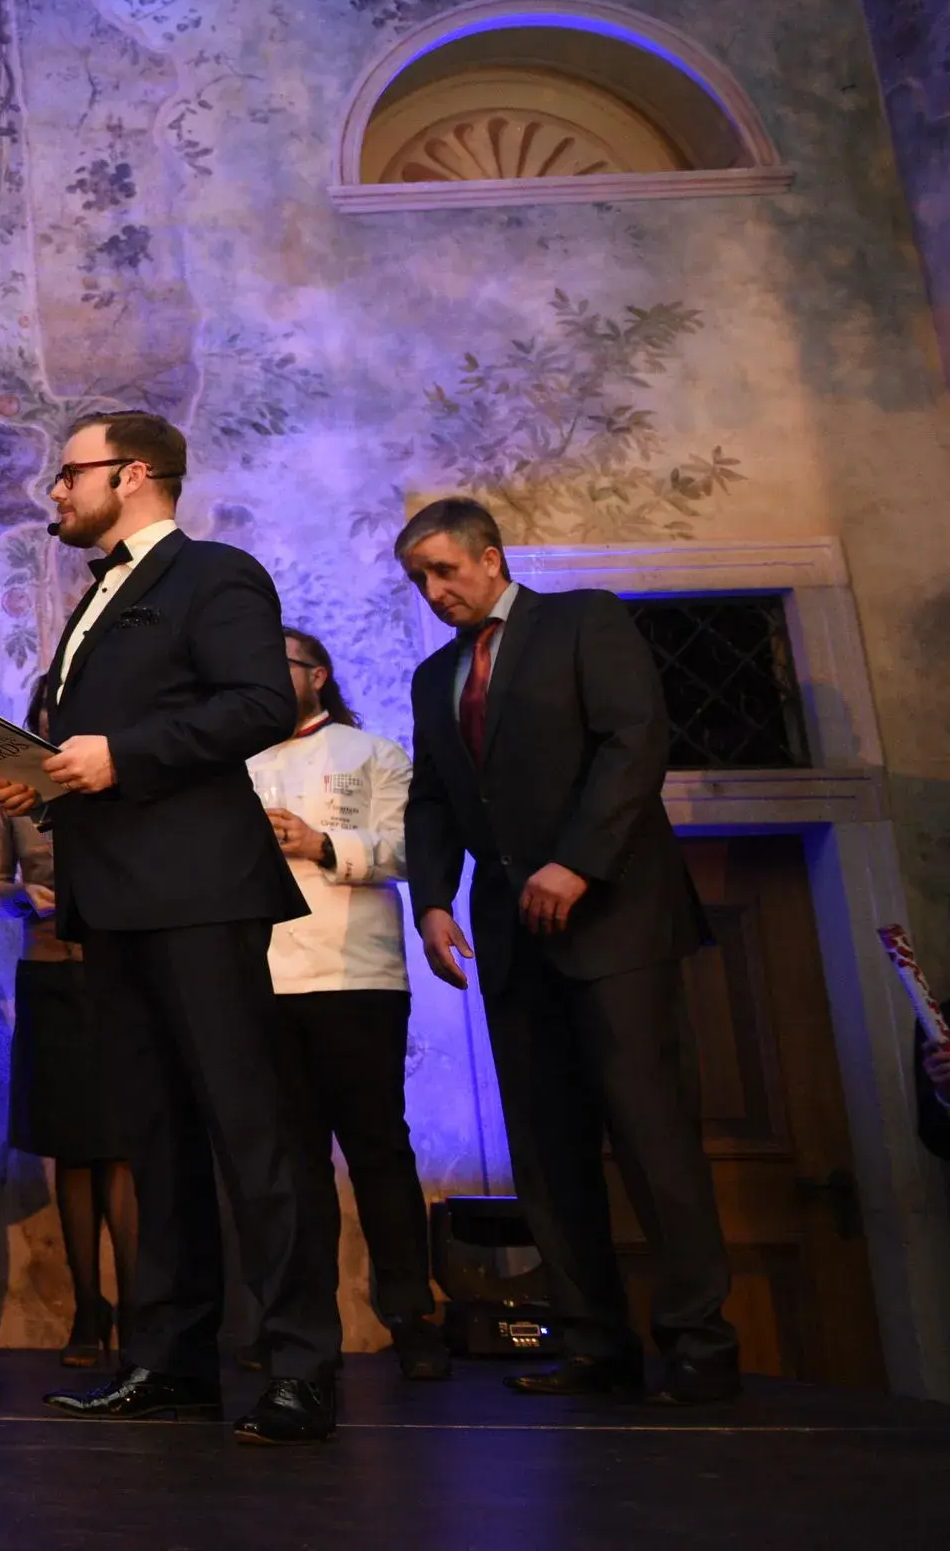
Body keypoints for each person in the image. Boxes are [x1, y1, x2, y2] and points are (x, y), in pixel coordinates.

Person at [0, 410, 337, 1445]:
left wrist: (119, 755)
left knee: (249, 1132)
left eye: (71, 473)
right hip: (110, 902)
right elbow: (106, 747)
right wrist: (45, 780)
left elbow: (257, 704)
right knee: (155, 1140)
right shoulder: (94, 594)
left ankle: (300, 1364)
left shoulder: (213, 573)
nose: (56, 491)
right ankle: (171, 1362)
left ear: (132, 474)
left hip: (198, 893)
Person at [398, 496, 737, 1404]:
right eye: (419, 579)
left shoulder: (584, 620)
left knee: (652, 1136)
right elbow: (432, 797)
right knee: (547, 1152)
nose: (434, 590)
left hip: (615, 921)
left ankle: (699, 1347)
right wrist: (432, 901)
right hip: (512, 936)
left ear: (491, 558)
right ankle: (594, 1346)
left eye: (445, 570)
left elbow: (635, 741)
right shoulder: (434, 678)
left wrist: (578, 863)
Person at [249, 624, 448, 1381]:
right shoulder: (235, 765)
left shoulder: (374, 754)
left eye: (278, 664)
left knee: (378, 1151)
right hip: (267, 979)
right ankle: (306, 1335)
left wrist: (323, 843)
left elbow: (410, 849)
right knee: (294, 1166)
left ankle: (412, 1319)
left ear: (318, 675)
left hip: (358, 977)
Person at [0, 806, 134, 1367]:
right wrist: (24, 897)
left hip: (118, 972)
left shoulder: (115, 782)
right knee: (70, 1147)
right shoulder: (13, 797)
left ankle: (138, 1311)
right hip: (48, 974)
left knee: (120, 1146)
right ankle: (89, 1311)